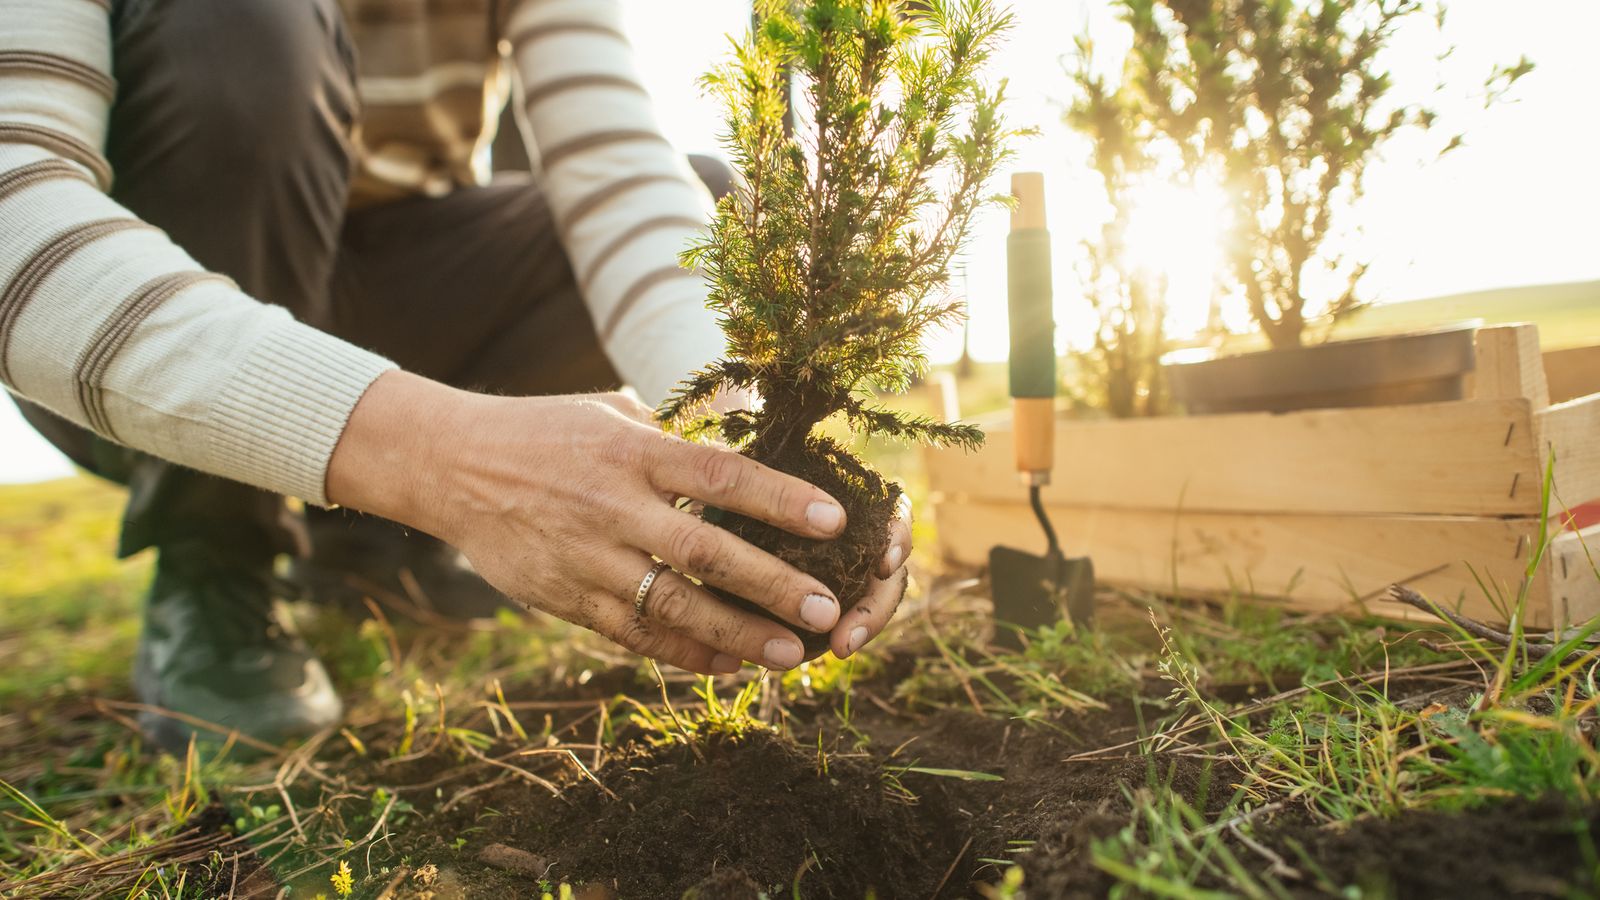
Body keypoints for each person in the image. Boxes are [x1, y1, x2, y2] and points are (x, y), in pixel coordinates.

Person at [1, 0, 912, 752]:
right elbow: (15, 207)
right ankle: (218, 554)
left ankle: (368, 547)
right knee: (239, 29)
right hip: (151, 295)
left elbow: (617, 175)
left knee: (696, 190)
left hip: (398, 280)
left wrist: (740, 449)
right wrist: (448, 459)